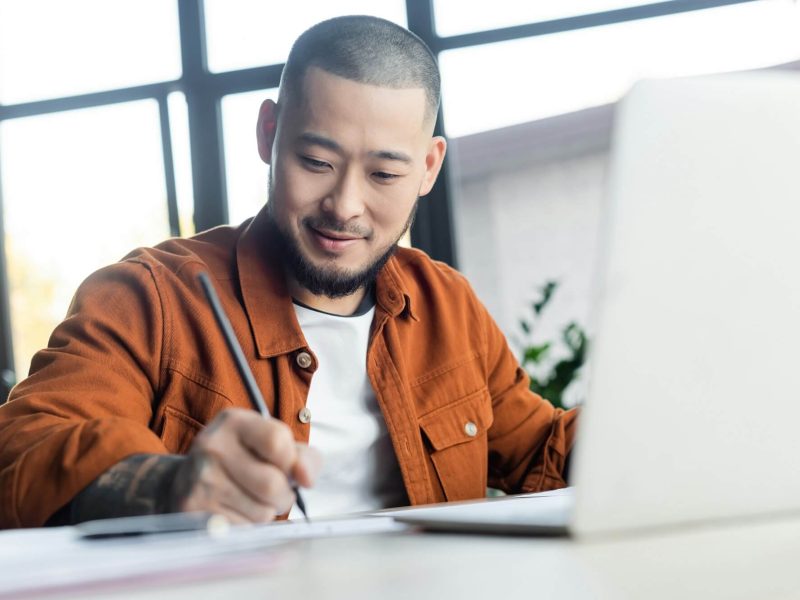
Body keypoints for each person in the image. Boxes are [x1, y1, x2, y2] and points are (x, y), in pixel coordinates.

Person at [0, 15, 576, 529]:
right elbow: (21, 453)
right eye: (317, 162)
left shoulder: (446, 303)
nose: (345, 206)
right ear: (268, 134)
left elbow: (542, 454)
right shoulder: (150, 299)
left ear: (428, 168)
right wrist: (167, 485)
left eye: (383, 175)